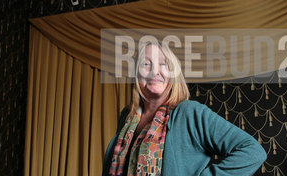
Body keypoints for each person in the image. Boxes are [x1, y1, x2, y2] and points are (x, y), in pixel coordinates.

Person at [102, 42, 267, 176]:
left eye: (163, 64)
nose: (155, 71)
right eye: (146, 64)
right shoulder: (128, 117)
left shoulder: (189, 112)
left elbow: (252, 151)